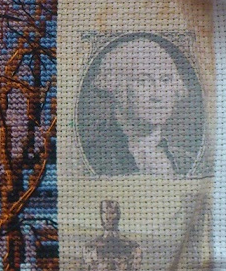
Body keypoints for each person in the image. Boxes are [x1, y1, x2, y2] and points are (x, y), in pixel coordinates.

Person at [82, 33, 198, 177]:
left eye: (165, 80)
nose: (157, 95)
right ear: (117, 87)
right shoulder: (96, 158)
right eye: (143, 81)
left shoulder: (185, 161)